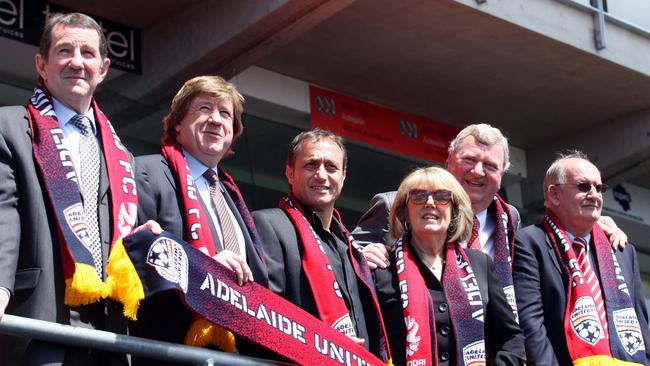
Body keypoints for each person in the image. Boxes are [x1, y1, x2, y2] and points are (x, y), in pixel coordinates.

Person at [0, 12, 159, 365]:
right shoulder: (9, 126)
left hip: (111, 331)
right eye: (64, 51)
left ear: (103, 69)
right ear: (42, 64)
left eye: (87, 53)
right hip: (40, 319)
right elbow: (2, 216)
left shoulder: (123, 156)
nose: (76, 62)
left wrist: (144, 239)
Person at [356, 124, 628, 317]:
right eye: (469, 160)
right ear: (449, 160)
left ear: (502, 174)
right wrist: (361, 254)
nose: (478, 172)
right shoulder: (394, 204)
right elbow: (342, 261)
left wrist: (591, 228)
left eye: (490, 166)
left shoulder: (510, 219)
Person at [133, 75, 268, 360]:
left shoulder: (233, 199)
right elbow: (132, 258)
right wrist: (204, 271)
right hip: (169, 352)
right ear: (178, 122)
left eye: (225, 113)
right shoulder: (146, 173)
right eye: (204, 109)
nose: (216, 120)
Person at [252, 129, 390, 361]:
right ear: (290, 172)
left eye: (331, 167)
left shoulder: (351, 248)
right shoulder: (268, 224)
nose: (321, 175)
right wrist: (323, 344)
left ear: (344, 177)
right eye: (311, 165)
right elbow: (263, 314)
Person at [374, 166, 526, 366]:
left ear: (454, 211)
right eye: (419, 196)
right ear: (405, 211)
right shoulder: (382, 268)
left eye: (442, 197)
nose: (430, 203)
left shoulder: (480, 264)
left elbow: (512, 339)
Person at [513, 152, 650, 365]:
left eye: (599, 188)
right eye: (584, 186)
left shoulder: (622, 250)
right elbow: (530, 324)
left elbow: (642, 328)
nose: (594, 194)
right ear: (554, 194)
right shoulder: (529, 242)